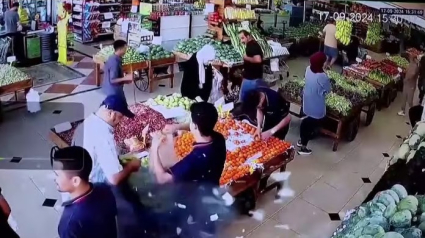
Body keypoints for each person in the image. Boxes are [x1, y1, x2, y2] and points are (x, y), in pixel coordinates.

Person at [51, 146, 117, 238]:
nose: (54, 178)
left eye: (57, 174)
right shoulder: (104, 188)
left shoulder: (70, 223)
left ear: (75, 181)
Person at [72, 95, 140, 185]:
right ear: (111, 114)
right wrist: (131, 166)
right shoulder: (103, 136)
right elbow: (114, 179)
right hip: (92, 185)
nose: (120, 122)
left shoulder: (89, 121)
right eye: (120, 117)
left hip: (76, 176)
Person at [298, 52, 331, 155]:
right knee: (311, 124)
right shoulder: (322, 76)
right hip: (316, 104)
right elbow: (328, 90)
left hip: (306, 100)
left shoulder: (308, 69)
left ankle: (301, 140)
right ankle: (303, 147)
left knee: (306, 121)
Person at [239, 30, 267, 101]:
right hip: (256, 76)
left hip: (251, 78)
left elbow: (258, 60)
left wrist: (246, 57)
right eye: (240, 39)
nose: (241, 41)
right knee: (256, 97)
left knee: (244, 98)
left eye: (243, 38)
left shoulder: (251, 46)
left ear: (248, 36)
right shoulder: (254, 44)